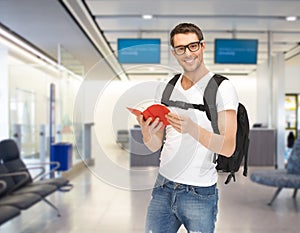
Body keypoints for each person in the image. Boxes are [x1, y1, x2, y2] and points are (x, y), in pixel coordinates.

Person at [136, 23, 238, 233]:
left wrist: (192, 128)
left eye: (193, 46)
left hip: (199, 192)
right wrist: (147, 131)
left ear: (203, 46)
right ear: (174, 53)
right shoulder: (166, 88)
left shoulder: (221, 88)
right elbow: (156, 145)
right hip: (163, 187)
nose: (188, 53)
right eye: (181, 48)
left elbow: (228, 147)